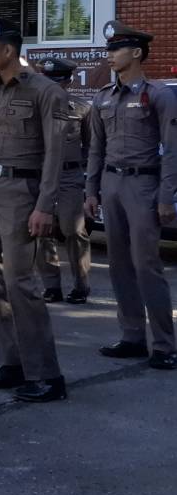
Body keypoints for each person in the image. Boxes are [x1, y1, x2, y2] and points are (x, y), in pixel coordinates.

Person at [0, 18, 67, 402]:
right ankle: (12, 362)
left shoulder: (45, 91)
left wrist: (45, 206)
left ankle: (46, 374)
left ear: (8, 50)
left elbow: (55, 155)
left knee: (21, 283)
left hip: (22, 192)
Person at [85, 21, 177, 370]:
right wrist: (91, 190)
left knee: (146, 265)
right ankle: (132, 336)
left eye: (116, 49)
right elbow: (96, 148)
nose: (109, 55)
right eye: (108, 50)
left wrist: (166, 196)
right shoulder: (103, 96)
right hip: (111, 184)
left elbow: (172, 150)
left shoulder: (158, 95)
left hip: (143, 185)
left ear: (136, 53)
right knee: (119, 265)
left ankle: (165, 345)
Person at [35, 57, 92, 304]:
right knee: (41, 230)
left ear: (68, 82)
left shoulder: (82, 108)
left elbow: (91, 146)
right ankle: (51, 286)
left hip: (69, 175)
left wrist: (87, 177)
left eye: (57, 82)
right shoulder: (33, 107)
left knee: (73, 229)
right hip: (38, 174)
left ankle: (81, 285)